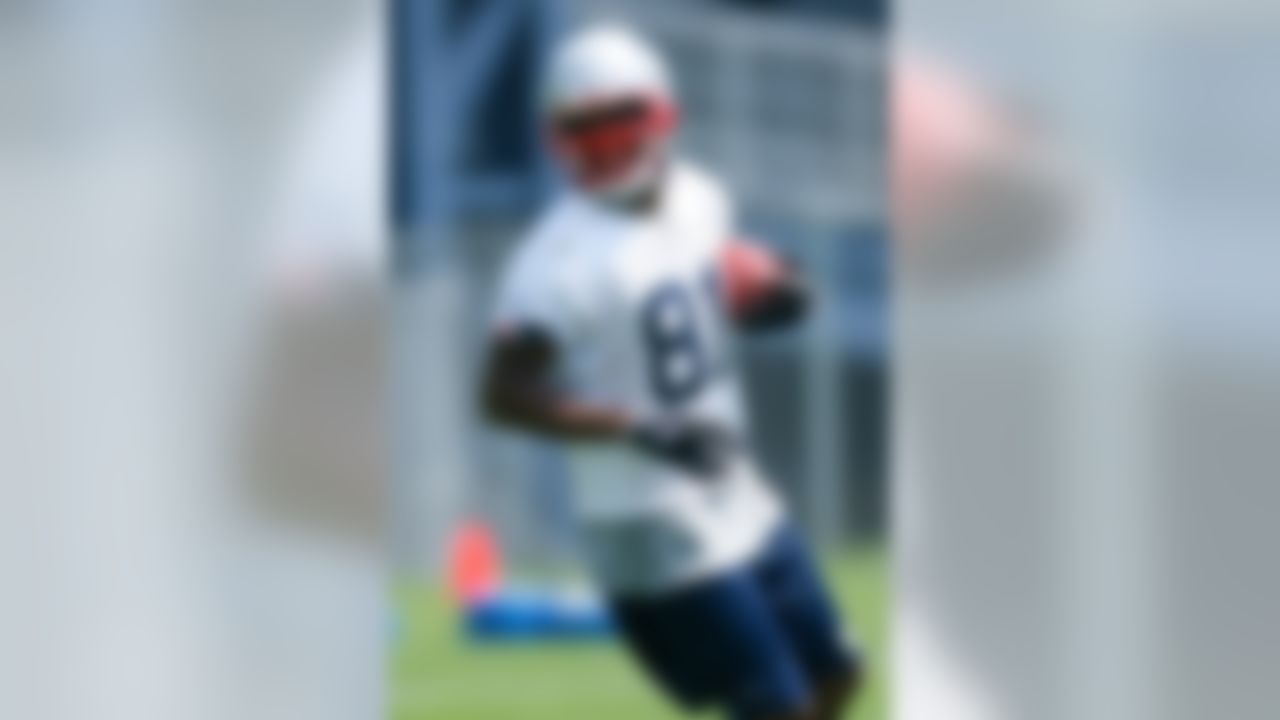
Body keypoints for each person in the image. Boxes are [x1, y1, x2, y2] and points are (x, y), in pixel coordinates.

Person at [480, 25, 862, 720]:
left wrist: (768, 290)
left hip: (732, 483)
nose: (605, 141)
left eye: (618, 118)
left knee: (838, 675)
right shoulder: (555, 262)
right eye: (583, 126)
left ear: (661, 114)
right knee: (778, 707)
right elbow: (502, 396)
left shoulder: (701, 197)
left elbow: (700, 290)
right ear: (558, 137)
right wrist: (638, 426)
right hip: (645, 518)